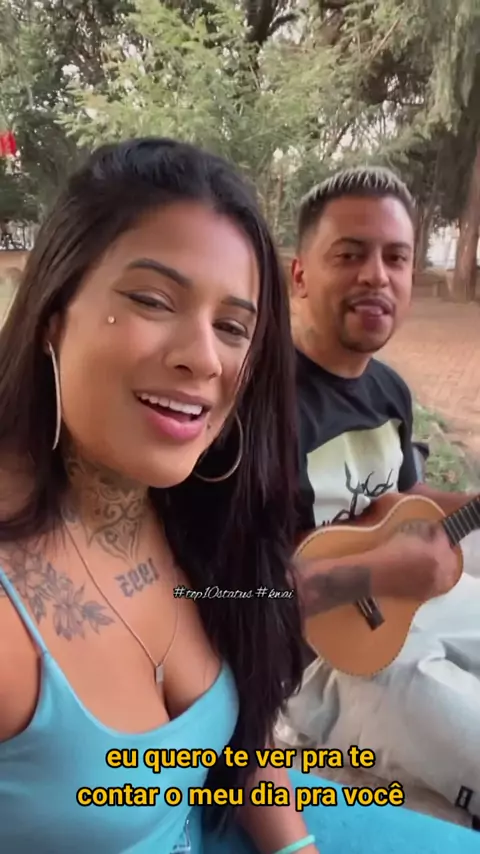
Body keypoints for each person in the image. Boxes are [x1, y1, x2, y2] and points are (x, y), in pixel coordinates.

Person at [0, 140, 476, 854]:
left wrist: (294, 848)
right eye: (152, 300)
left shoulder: (200, 503)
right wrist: (380, 573)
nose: (204, 358)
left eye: (232, 327)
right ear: (53, 311)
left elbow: (243, 740)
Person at [277, 166, 480, 830]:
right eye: (349, 254)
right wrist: (380, 573)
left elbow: (404, 499)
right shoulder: (255, 408)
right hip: (320, 666)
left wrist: (467, 504)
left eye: (396, 258)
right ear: (300, 275)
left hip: (405, 605)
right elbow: (234, 592)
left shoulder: (387, 389)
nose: (376, 275)